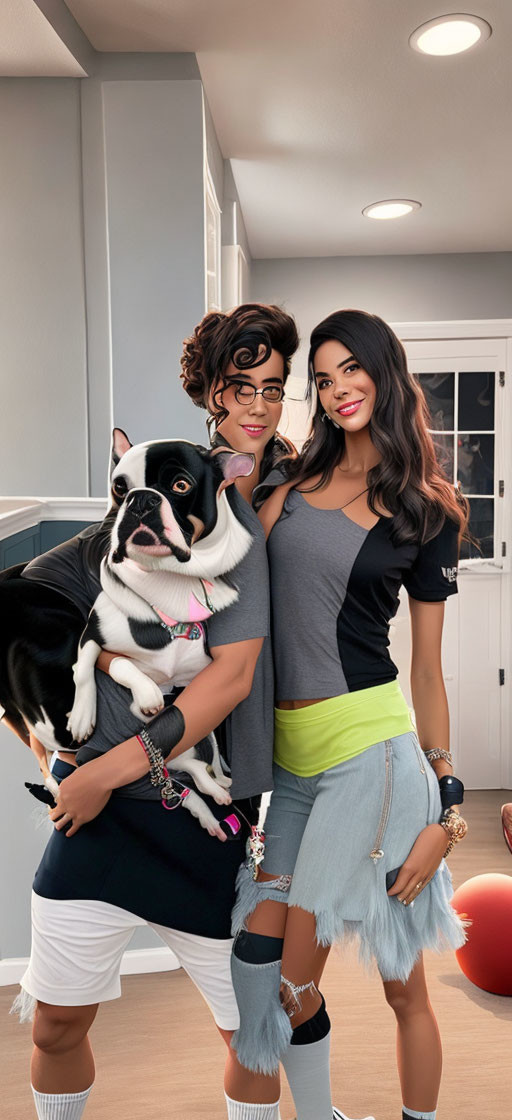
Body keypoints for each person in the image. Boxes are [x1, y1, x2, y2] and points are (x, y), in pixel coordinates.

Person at [8, 304, 303, 1120]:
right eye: (238, 386)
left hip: (210, 807)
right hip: (96, 814)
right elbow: (19, 607)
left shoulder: (284, 495)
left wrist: (97, 772)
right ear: (209, 395)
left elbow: (232, 679)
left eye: (273, 388)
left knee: (254, 1031)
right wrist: (40, 740)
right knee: (60, 1020)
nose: (255, 403)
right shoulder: (151, 496)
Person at [230, 309, 469, 1120]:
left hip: (372, 758)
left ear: (383, 371)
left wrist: (449, 799)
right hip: (292, 768)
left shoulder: (426, 510)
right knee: (260, 965)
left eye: (349, 371)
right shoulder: (286, 483)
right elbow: (232, 590)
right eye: (322, 380)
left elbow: (428, 672)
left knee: (382, 986)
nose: (337, 391)